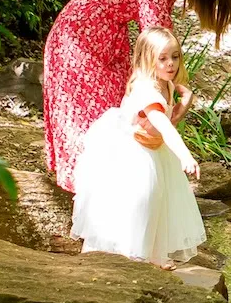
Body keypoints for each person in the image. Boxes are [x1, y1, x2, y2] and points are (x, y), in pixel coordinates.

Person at [42, 0, 231, 194]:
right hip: (78, 39)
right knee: (92, 125)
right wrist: (175, 87)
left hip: (111, 42)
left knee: (119, 121)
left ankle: (112, 199)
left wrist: (174, 88)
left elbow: (162, 36)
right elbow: (154, 34)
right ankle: (89, 202)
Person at [69, 27, 207, 266]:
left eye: (175, 57)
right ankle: (130, 254)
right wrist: (185, 155)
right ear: (147, 59)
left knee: (160, 200)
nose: (170, 64)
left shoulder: (166, 84)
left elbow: (168, 120)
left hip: (155, 149)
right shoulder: (145, 89)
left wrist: (184, 102)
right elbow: (163, 125)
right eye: (162, 58)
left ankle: (153, 254)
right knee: (140, 200)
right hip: (134, 153)